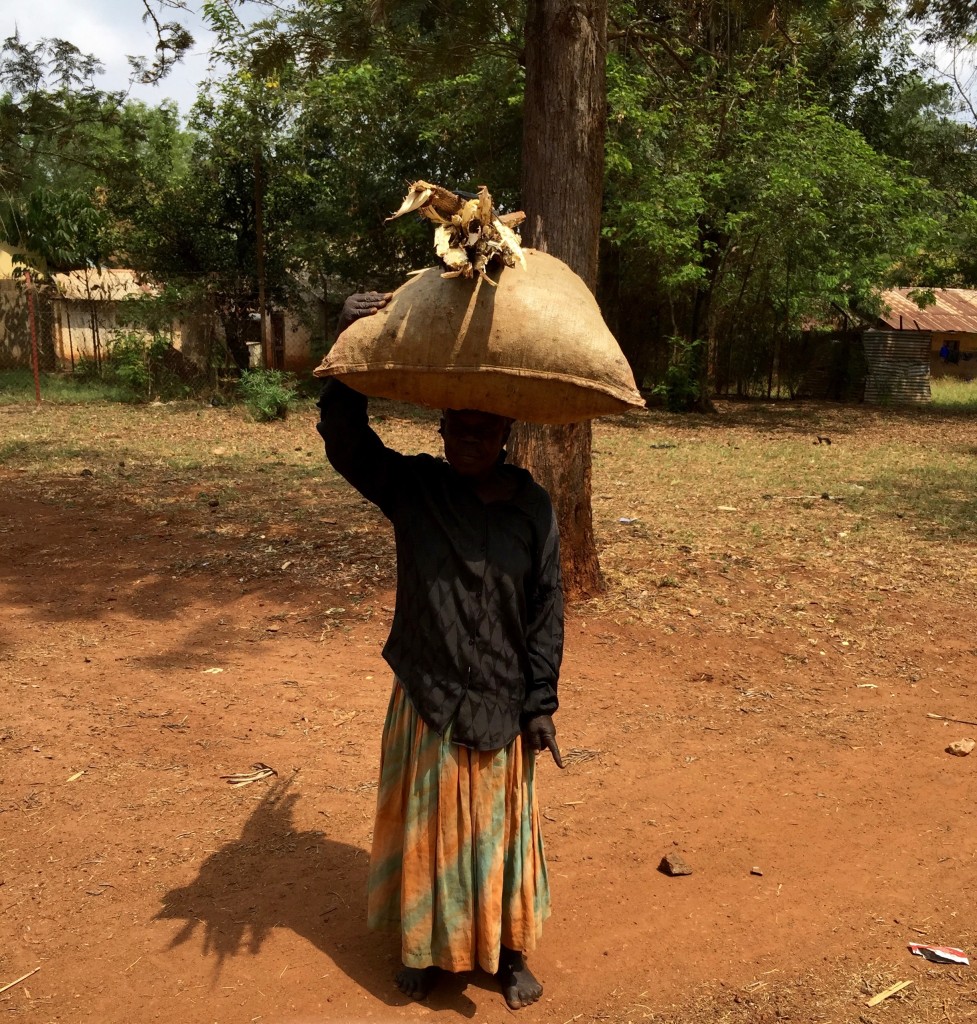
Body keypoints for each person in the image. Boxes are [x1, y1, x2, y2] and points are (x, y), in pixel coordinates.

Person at [316, 291, 565, 1010]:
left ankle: (507, 954)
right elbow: (346, 442)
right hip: (427, 692)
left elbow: (547, 610)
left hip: (500, 700)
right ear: (443, 427)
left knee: (498, 838)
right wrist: (345, 353)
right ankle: (425, 951)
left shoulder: (532, 510)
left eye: (481, 432)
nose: (465, 443)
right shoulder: (415, 489)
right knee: (427, 832)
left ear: (505, 434)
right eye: (455, 429)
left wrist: (540, 702)